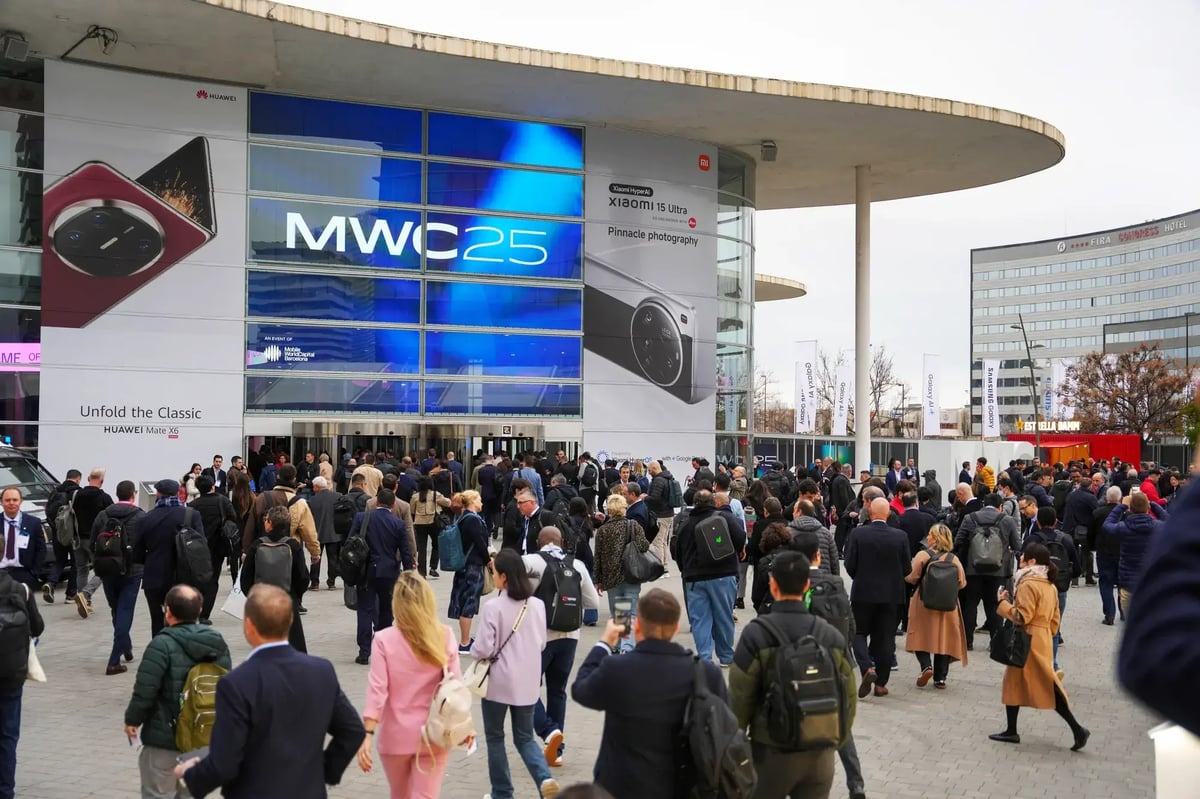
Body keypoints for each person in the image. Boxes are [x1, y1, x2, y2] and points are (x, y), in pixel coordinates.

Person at [177, 585, 365, 798]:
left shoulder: (236, 683)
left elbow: (224, 763)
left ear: (248, 626)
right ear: (291, 620)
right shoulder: (321, 671)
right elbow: (352, 731)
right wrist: (323, 772)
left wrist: (188, 777)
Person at [572, 587, 725, 798]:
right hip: (681, 786)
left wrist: (604, 643)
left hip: (622, 786)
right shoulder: (706, 674)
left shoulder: (617, 668)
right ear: (675, 628)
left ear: (637, 625)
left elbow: (581, 689)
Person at [730, 551, 857, 799]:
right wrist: (835, 739)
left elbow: (738, 699)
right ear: (807, 585)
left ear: (773, 585)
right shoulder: (830, 635)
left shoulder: (757, 635)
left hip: (771, 751)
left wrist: (736, 749)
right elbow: (849, 696)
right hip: (819, 755)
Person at [356, 572, 467, 798]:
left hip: (396, 737)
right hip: (434, 734)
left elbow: (378, 691)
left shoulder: (383, 640)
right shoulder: (444, 635)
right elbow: (455, 685)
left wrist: (367, 734)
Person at [124, 584, 232, 798]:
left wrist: (132, 721)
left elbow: (145, 691)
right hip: (200, 737)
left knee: (157, 792)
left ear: (168, 611)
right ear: (199, 610)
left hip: (165, 737)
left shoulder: (161, 644)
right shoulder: (217, 643)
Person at [471, 549, 559, 799]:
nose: (493, 576)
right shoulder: (537, 605)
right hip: (527, 681)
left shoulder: (493, 607)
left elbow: (484, 648)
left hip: (498, 682)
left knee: (495, 737)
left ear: (504, 577)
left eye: (495, 572)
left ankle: (502, 792)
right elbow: (541, 642)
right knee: (525, 738)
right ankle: (544, 779)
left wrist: (474, 652)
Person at [989, 544, 1089, 751]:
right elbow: (1055, 618)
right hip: (1042, 637)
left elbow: (1023, 616)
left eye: (1023, 557)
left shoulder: (1028, 584)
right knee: (1026, 681)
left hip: (1027, 638)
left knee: (1038, 683)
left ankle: (1077, 729)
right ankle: (1012, 729)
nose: (1020, 559)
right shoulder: (1049, 585)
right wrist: (1047, 633)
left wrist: (1003, 604)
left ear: (1032, 561)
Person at [522, 527, 601, 768]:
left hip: (540, 636)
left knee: (525, 690)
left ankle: (548, 731)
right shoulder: (576, 565)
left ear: (539, 542)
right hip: (570, 635)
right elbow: (592, 602)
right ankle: (556, 752)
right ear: (562, 541)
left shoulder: (531, 562)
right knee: (557, 691)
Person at [844, 497, 909, 698]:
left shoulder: (858, 534)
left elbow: (849, 563)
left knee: (858, 632)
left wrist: (860, 577)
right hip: (892, 595)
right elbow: (907, 567)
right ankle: (881, 684)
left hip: (863, 592)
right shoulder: (901, 537)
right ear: (888, 513)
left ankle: (866, 668)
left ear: (870, 513)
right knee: (886, 637)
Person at [671, 489, 743, 666]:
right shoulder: (724, 518)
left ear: (695, 503)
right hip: (724, 575)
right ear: (713, 502)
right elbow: (740, 538)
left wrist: (685, 571)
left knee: (700, 619)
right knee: (724, 616)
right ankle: (726, 656)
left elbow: (677, 552)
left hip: (694, 578)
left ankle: (704, 657)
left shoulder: (686, 524)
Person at [348, 489, 415, 665]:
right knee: (386, 610)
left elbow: (350, 541)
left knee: (365, 609)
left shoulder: (362, 518)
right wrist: (409, 572)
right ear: (393, 505)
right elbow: (405, 551)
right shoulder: (398, 524)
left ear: (376, 502)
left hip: (366, 570)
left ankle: (364, 652)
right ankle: (383, 648)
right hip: (389, 571)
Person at [953, 493, 1021, 650]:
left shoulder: (970, 518)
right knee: (995, 605)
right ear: (1000, 506)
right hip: (998, 571)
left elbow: (958, 541)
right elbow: (1017, 545)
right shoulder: (1007, 520)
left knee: (970, 605)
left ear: (984, 504)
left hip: (973, 569)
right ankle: (995, 643)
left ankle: (967, 642)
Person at [91, 480, 145, 675]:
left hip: (107, 569)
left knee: (116, 609)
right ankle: (114, 661)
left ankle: (125, 646)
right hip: (132, 571)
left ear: (117, 494)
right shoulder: (141, 516)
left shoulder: (103, 515)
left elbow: (92, 542)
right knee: (125, 611)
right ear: (133, 494)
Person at [0, 558, 44, 799]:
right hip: (11, 674)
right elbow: (37, 628)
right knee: (7, 737)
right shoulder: (21, 590)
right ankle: (6, 791)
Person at [905, 523, 968, 688]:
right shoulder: (953, 559)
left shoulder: (922, 555)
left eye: (930, 534)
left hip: (923, 601)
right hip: (948, 603)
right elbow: (962, 583)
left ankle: (926, 666)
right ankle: (940, 678)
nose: (927, 537)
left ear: (935, 539)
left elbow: (911, 577)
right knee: (944, 638)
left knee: (920, 634)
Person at [242, 505, 311, 653]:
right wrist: (296, 596)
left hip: (262, 600)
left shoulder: (257, 545)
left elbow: (246, 576)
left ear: (270, 523)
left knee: (265, 641)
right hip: (288, 599)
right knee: (294, 642)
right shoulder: (293, 545)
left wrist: (252, 595)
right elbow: (303, 576)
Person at [133, 479, 197, 637]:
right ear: (177, 493)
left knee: (157, 620)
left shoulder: (146, 518)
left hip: (154, 576)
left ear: (158, 493)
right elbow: (200, 546)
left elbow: (137, 554)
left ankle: (160, 648)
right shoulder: (191, 515)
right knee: (183, 620)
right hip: (184, 577)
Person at [1102, 491, 1163, 614]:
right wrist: (1153, 504)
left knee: (1130, 621)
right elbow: (1171, 521)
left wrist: (1121, 506)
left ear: (1130, 508)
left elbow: (1107, 525)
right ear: (1147, 508)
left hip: (1128, 583)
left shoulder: (1124, 527)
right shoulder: (1158, 527)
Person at [592, 494, 650, 619]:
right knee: (630, 615)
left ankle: (622, 630)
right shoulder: (633, 525)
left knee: (618, 617)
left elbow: (597, 557)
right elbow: (644, 546)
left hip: (611, 576)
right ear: (624, 508)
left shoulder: (603, 530)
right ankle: (626, 631)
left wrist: (597, 580)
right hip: (631, 573)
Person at [66, 467, 114, 618]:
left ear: (88, 479)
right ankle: (86, 594)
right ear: (102, 481)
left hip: (77, 538)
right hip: (95, 540)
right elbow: (112, 517)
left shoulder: (76, 495)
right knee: (103, 570)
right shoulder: (104, 498)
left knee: (81, 570)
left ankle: (85, 602)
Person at [189, 474, 237, 620]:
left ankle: (195, 610)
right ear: (212, 487)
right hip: (218, 546)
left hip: (197, 548)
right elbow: (233, 518)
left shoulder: (193, 505)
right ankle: (205, 614)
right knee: (213, 579)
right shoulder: (223, 501)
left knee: (197, 579)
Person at [447, 490, 490, 653]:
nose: (481, 502)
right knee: (469, 603)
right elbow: (480, 542)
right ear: (472, 501)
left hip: (464, 563)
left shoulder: (463, 517)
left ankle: (465, 640)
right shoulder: (473, 519)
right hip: (473, 565)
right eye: (479, 499)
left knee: (464, 601)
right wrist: (488, 561)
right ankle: (465, 642)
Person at [43, 468, 82, 603]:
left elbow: (48, 512)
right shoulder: (78, 492)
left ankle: (50, 583)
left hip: (58, 533)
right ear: (78, 479)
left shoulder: (54, 492)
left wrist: (55, 528)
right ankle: (71, 594)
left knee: (60, 560)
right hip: (73, 534)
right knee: (76, 563)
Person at [0, 486, 46, 594]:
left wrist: (34, 573)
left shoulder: (33, 522)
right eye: (7, 500)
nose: (11, 503)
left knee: (23, 604)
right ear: (1, 502)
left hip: (24, 574)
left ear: (21, 501)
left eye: (15, 500)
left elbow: (41, 549)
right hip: (1, 572)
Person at [1089, 486, 1123, 624]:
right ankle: (1124, 611)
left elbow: (1091, 532)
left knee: (1106, 583)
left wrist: (1091, 546)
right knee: (1123, 583)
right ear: (1120, 498)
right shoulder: (1125, 514)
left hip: (1104, 551)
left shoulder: (1098, 513)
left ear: (1107, 498)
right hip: (1122, 551)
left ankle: (1109, 614)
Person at [411, 477, 451, 579]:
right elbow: (448, 503)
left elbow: (412, 510)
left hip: (420, 523)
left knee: (422, 548)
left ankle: (422, 572)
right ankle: (433, 567)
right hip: (434, 523)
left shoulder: (415, 496)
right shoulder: (435, 494)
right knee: (436, 545)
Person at [307, 475, 340, 590]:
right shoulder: (338, 497)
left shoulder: (312, 500)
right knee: (333, 558)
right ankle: (331, 582)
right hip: (333, 532)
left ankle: (314, 582)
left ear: (317, 487)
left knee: (315, 557)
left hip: (317, 533)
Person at [644, 460, 676, 573]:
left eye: (649, 470)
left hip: (661, 514)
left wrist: (645, 497)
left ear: (654, 468)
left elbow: (655, 499)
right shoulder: (667, 478)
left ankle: (660, 569)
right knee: (663, 542)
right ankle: (664, 567)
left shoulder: (658, 480)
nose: (648, 472)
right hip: (668, 513)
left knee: (658, 542)